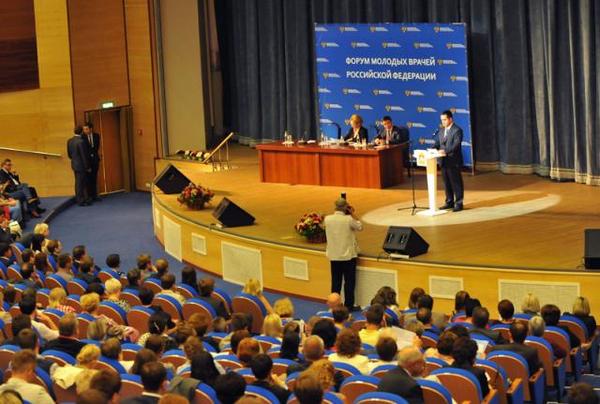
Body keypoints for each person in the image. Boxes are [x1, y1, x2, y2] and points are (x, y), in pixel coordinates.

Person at [324, 197, 362, 311]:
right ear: (346, 207)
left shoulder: (327, 219)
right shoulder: (348, 219)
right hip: (348, 256)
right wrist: (353, 214)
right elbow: (360, 226)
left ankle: (334, 305)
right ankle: (348, 306)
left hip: (334, 255)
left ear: (335, 207)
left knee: (336, 282)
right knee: (349, 282)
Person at [435, 110, 464, 212]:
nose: (443, 122)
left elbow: (456, 145)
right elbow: (438, 143)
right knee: (446, 183)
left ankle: (459, 203)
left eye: (445, 120)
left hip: (453, 161)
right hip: (443, 161)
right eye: (441, 120)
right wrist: (433, 148)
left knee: (456, 183)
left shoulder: (457, 130)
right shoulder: (441, 130)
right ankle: (449, 202)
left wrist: (445, 151)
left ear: (450, 119)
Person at [67, 125, 91, 206]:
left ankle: (84, 199)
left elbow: (69, 155)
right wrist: (87, 167)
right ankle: (81, 200)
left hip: (74, 164)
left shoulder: (69, 141)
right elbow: (84, 155)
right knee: (81, 183)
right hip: (81, 165)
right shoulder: (81, 141)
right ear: (81, 132)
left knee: (78, 182)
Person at [82, 122, 101, 202]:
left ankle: (95, 195)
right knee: (88, 179)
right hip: (87, 161)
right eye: (84, 129)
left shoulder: (96, 136)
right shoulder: (82, 137)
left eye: (86, 129)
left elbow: (96, 148)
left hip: (95, 160)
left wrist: (93, 154)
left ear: (91, 129)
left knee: (94, 178)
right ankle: (89, 196)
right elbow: (84, 150)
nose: (85, 131)